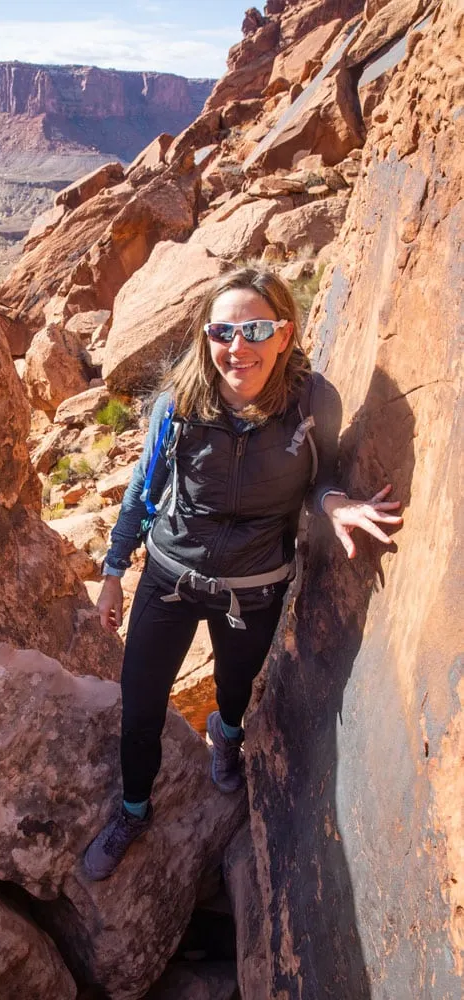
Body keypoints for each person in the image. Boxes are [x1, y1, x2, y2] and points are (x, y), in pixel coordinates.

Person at [82, 266, 402, 881]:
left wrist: (336, 504)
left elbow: (320, 480)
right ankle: (133, 811)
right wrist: (114, 571)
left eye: (255, 330)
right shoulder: (179, 403)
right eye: (222, 332)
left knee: (234, 690)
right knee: (141, 706)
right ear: (206, 336)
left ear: (284, 334)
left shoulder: (313, 402)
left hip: (253, 589)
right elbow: (144, 491)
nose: (238, 347)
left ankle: (226, 735)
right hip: (170, 579)